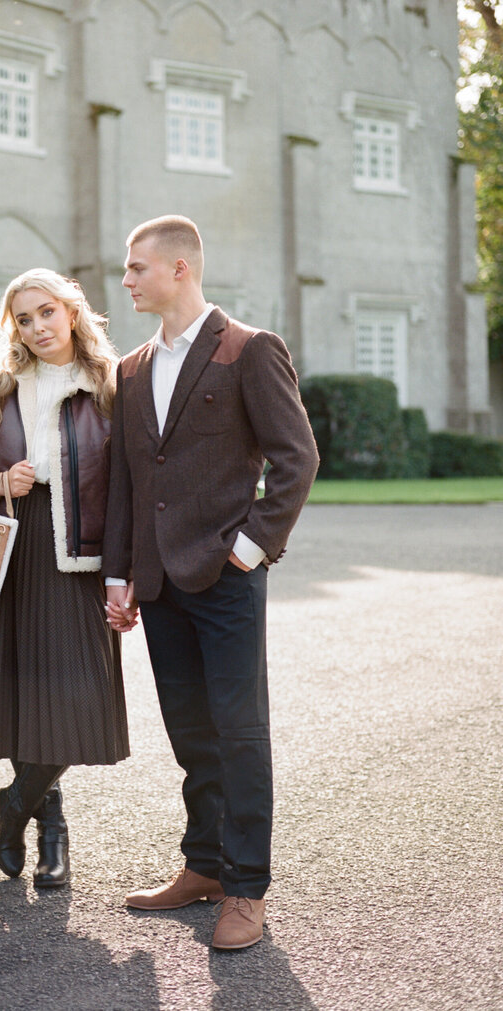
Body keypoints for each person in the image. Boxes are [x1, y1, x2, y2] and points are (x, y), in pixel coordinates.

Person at [103, 216, 319, 949]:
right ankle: (205, 865)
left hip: (227, 576)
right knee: (191, 730)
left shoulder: (249, 350)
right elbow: (132, 481)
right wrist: (120, 575)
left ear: (179, 270)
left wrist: (251, 550)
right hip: (160, 581)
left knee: (240, 731)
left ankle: (247, 886)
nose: (126, 280)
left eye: (137, 268)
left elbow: (297, 458)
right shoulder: (130, 369)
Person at [0, 268, 130, 890]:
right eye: (24, 318)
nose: (38, 327)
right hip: (15, 548)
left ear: (71, 312)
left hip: (82, 554)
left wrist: (128, 570)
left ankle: (15, 803)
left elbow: (132, 481)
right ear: (13, 326)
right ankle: (51, 829)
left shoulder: (111, 383)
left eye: (47, 312)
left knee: (76, 697)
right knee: (27, 695)